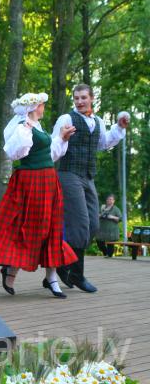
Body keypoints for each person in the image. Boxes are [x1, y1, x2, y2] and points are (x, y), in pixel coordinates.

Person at [0, 92, 77, 298]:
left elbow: (49, 153)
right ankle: (11, 271)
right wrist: (26, 126)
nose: (44, 107)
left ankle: (51, 278)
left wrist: (61, 138)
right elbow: (16, 152)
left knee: (52, 228)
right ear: (34, 107)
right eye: (42, 104)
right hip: (31, 182)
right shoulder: (20, 127)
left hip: (48, 180)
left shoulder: (38, 127)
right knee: (28, 227)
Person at [53, 83, 128, 292]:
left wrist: (120, 127)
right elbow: (54, 147)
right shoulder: (66, 119)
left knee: (94, 225)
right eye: (76, 98)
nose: (79, 101)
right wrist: (62, 138)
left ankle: (62, 264)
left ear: (92, 98)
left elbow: (103, 143)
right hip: (68, 175)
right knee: (80, 225)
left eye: (83, 97)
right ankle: (77, 275)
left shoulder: (97, 121)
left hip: (88, 176)